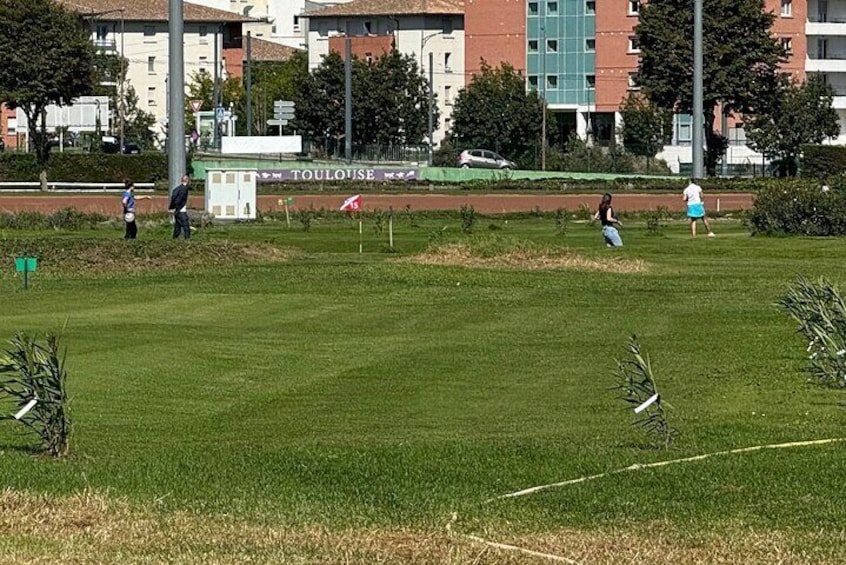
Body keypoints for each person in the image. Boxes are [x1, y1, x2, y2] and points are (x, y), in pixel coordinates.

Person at [168, 175, 192, 240]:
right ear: (187, 180)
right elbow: (179, 199)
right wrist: (177, 208)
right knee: (185, 225)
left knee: (178, 225)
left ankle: (175, 238)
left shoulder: (177, 188)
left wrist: (171, 208)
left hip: (177, 210)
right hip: (181, 210)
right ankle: (187, 238)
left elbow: (173, 198)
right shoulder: (184, 189)